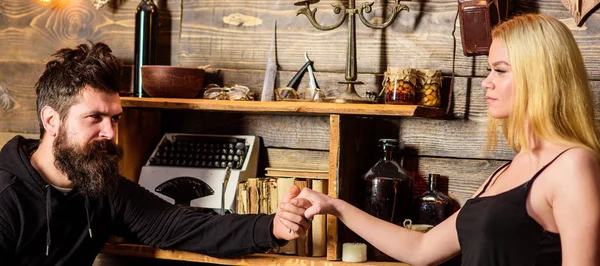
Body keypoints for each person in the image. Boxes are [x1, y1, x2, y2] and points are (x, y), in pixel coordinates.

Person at [283, 14, 600, 266]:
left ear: (539, 76)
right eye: (489, 70)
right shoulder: (508, 170)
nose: (486, 83)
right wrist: (335, 206)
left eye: (500, 71)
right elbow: (422, 248)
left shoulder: (572, 165)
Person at [0, 42, 310, 265]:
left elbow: (182, 226)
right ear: (51, 120)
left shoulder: (100, 185)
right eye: (95, 118)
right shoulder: (6, 198)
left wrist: (274, 227)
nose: (110, 133)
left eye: (115, 118)